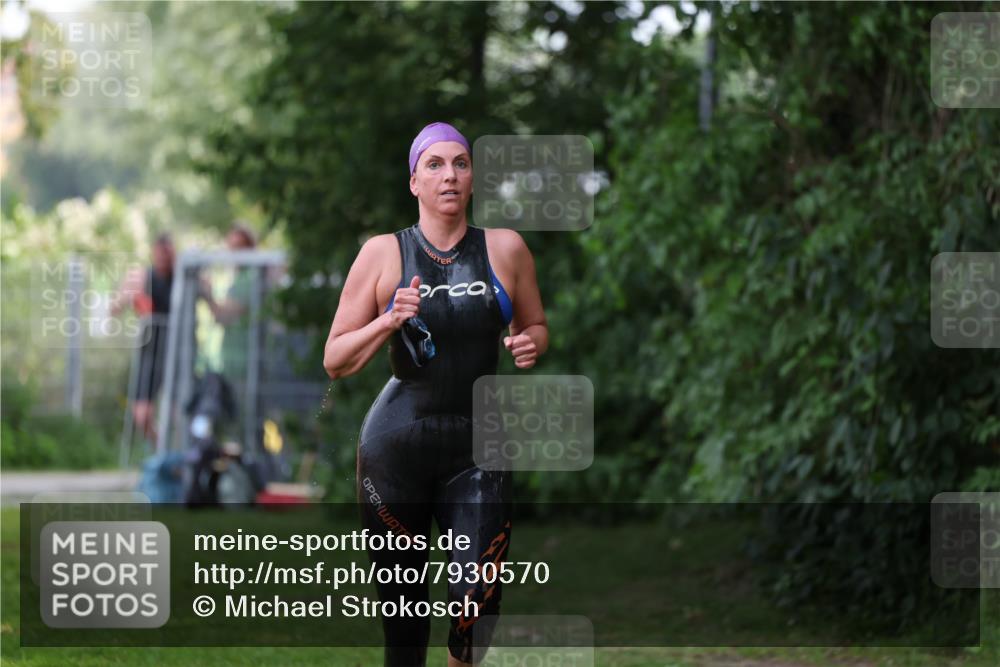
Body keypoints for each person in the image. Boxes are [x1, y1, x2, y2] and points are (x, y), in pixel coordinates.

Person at [323, 122, 548, 667]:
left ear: (472, 178)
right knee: (404, 624)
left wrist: (529, 343)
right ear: (415, 182)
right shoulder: (383, 253)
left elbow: (536, 324)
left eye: (461, 163)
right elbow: (336, 359)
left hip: (478, 448)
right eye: (435, 165)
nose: (450, 174)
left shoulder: (506, 248)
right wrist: (386, 322)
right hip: (395, 449)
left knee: (477, 603)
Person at [111, 233, 175, 444]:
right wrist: (128, 295)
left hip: (176, 354)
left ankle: (179, 455)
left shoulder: (183, 278)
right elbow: (115, 308)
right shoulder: (142, 277)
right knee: (141, 415)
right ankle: (162, 452)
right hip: (149, 351)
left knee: (177, 412)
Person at [203, 223, 257, 385]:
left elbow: (223, 316)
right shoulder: (239, 277)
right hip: (232, 365)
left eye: (239, 247)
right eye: (231, 246)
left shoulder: (250, 278)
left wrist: (207, 294)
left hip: (246, 367)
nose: (233, 252)